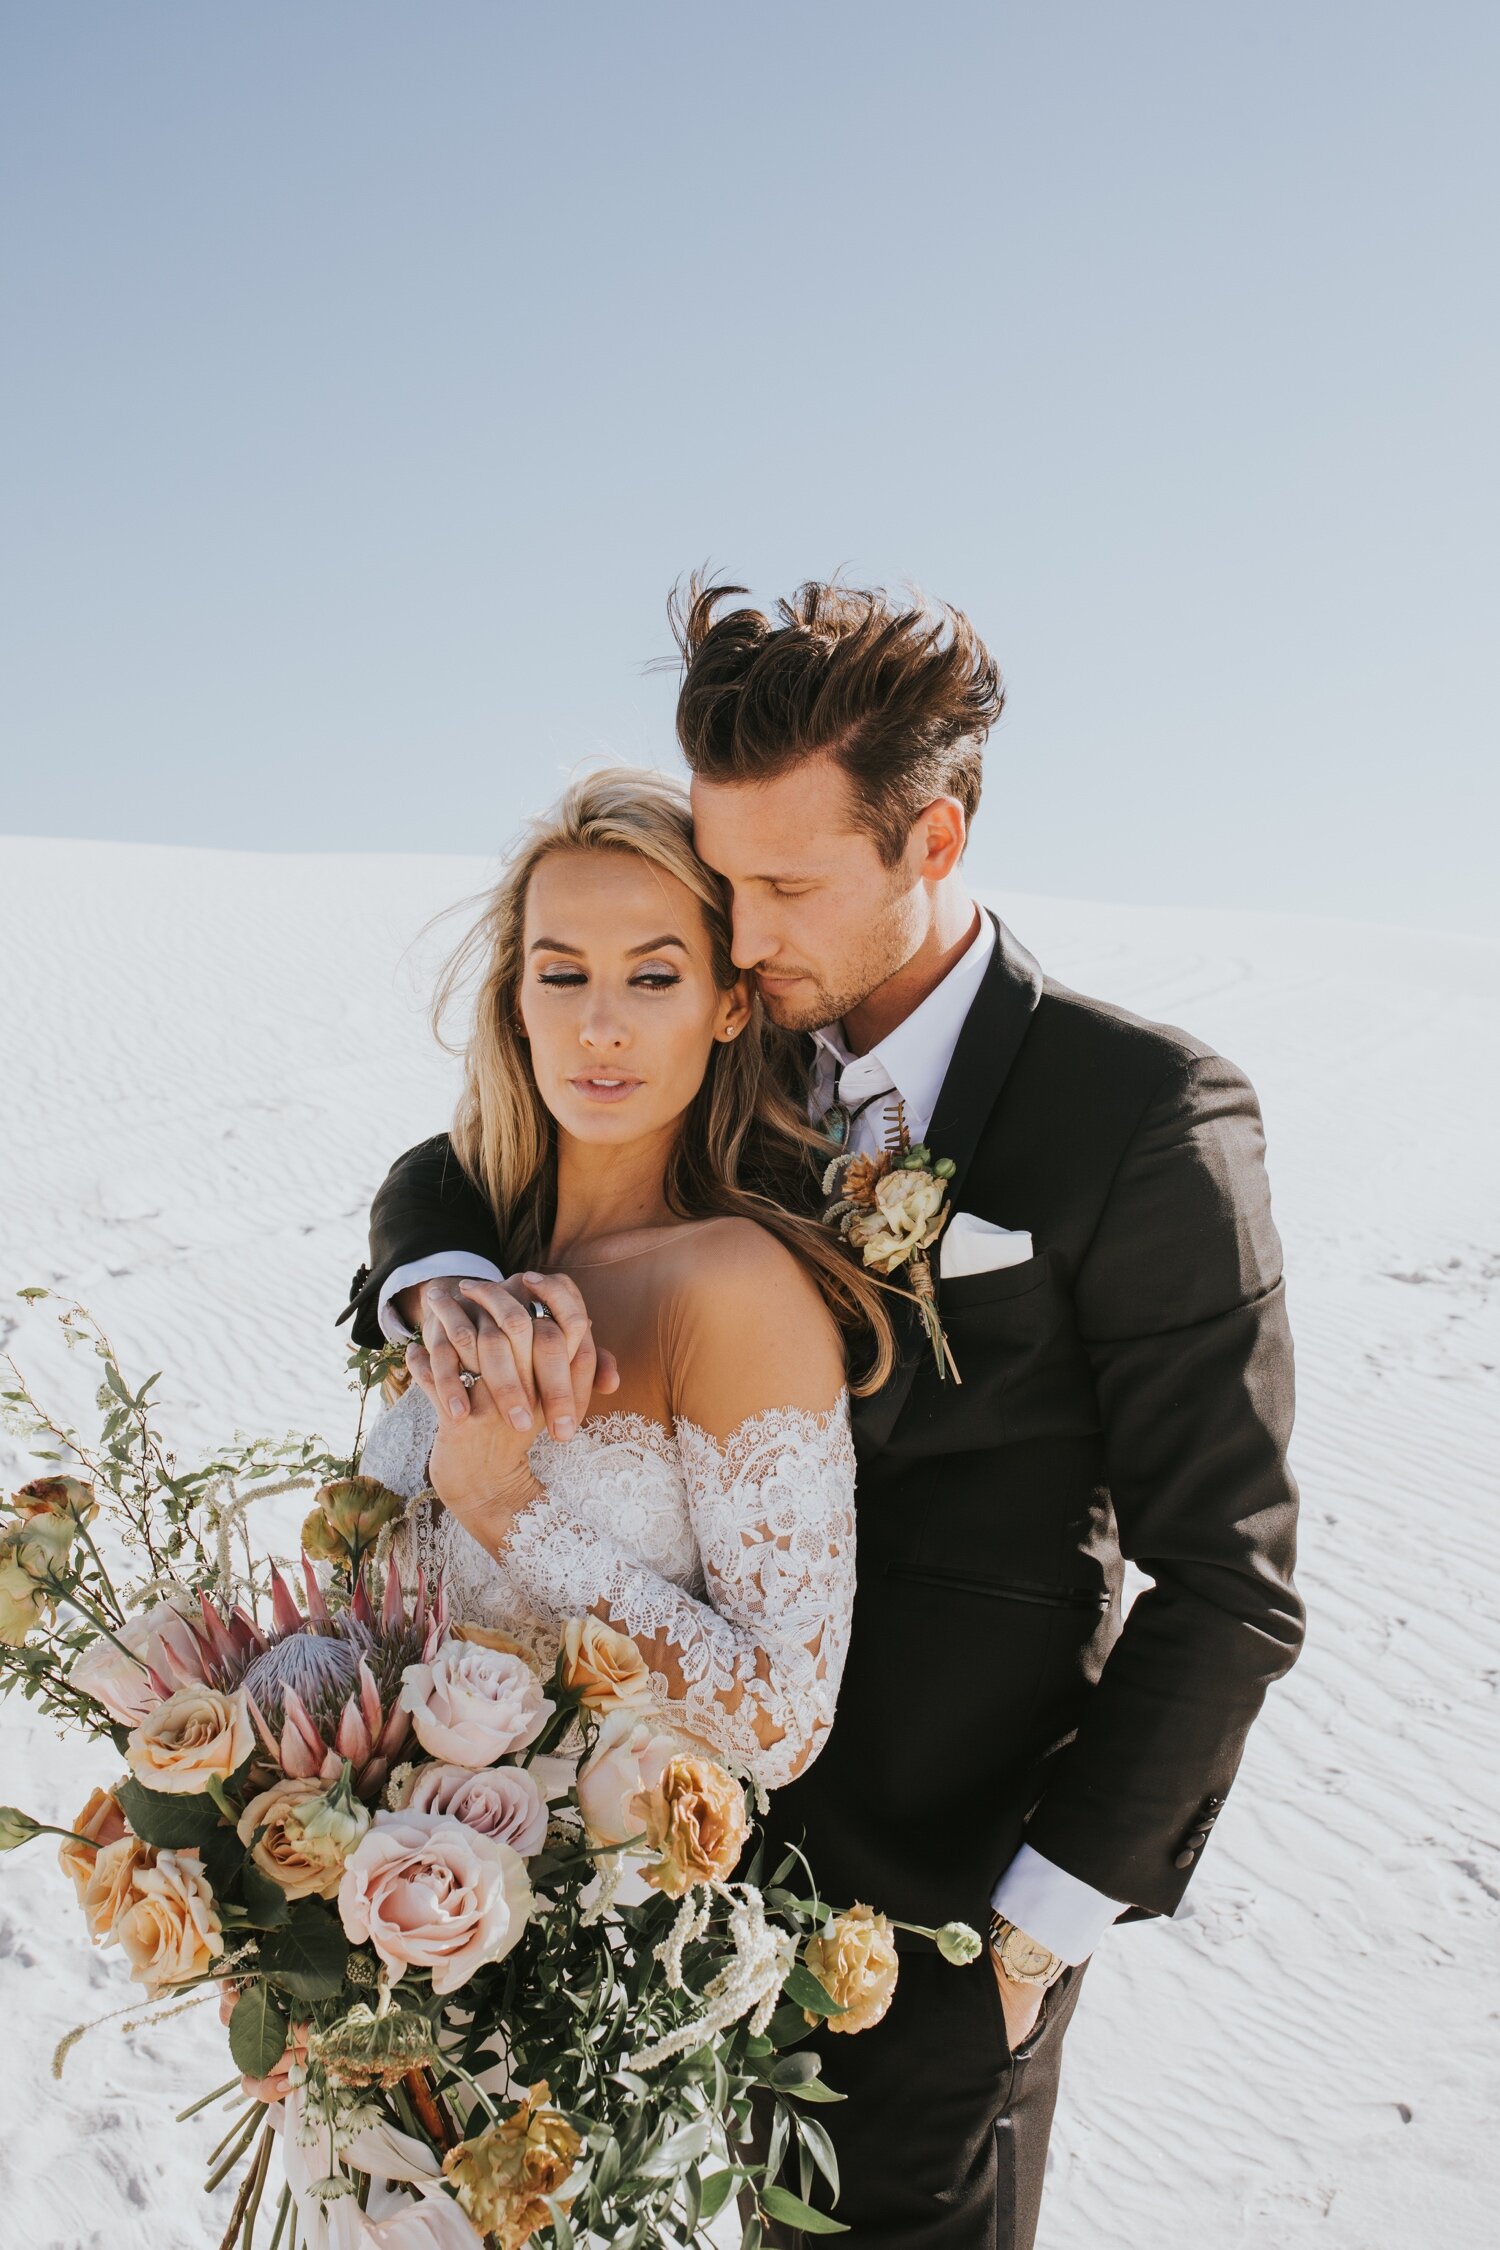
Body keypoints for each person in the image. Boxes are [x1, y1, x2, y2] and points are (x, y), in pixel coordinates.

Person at [343, 578, 1305, 2250]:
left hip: (918, 1913)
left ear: (930, 843)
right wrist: (435, 1275)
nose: (742, 927)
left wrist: (1027, 1944)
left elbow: (1230, 1578)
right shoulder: (725, 1031)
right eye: (722, 880)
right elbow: (482, 1153)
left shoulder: (1138, 1116)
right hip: (607, 1879)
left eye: (783, 885)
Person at [357, 768, 893, 1793]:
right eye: (563, 976)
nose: (601, 1026)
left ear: (730, 1004)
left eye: (653, 978)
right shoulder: (481, 1271)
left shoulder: (731, 1287)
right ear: (516, 1002)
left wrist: (504, 1504)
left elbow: (783, 1725)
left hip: (589, 1923)